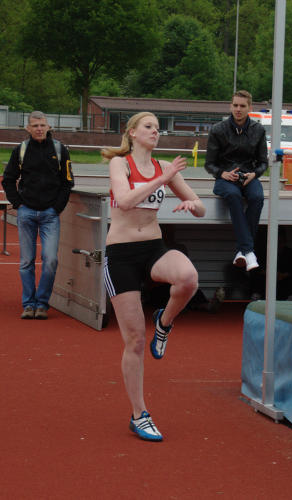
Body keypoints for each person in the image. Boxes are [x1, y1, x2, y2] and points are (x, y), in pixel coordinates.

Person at [101, 112, 205, 442]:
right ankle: (139, 413)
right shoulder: (121, 164)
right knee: (133, 340)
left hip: (153, 247)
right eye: (149, 127)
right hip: (122, 256)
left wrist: (193, 205)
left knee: (188, 278)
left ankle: (164, 322)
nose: (155, 132)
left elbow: (200, 206)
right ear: (132, 133)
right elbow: (127, 200)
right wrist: (165, 179)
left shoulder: (163, 168)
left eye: (158, 129)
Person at [1, 111, 74, 319]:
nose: (39, 129)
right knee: (26, 261)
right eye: (35, 126)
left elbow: (67, 182)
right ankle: (28, 304)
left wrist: (56, 208)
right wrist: (19, 204)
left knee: (50, 260)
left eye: (42, 125)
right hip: (26, 213)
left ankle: (42, 303)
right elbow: (8, 179)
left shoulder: (60, 150)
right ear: (28, 128)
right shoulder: (21, 150)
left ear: (48, 126)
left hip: (50, 214)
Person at [205, 90, 268, 272]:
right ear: (230, 106)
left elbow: (263, 162)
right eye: (235, 105)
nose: (238, 109)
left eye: (242, 106)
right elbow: (209, 164)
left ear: (250, 108)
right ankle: (248, 251)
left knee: (257, 198)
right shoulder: (218, 130)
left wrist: (254, 174)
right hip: (225, 178)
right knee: (233, 195)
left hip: (248, 176)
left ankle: (242, 251)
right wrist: (222, 173)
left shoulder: (259, 130)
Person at [250, 227, 292, 301]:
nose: (277, 245)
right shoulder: (262, 252)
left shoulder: (291, 253)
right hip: (265, 287)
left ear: (285, 242)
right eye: (274, 242)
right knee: (252, 268)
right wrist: (268, 274)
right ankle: (257, 294)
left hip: (284, 287)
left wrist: (285, 274)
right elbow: (252, 267)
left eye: (280, 242)